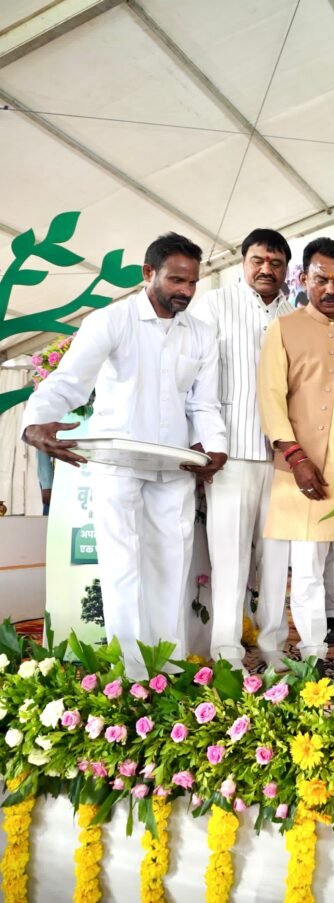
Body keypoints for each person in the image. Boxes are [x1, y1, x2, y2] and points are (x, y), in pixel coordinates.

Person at [21, 232, 228, 678]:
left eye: (193, 283)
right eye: (176, 280)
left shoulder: (202, 334)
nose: (186, 292)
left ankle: (169, 672)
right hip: (117, 464)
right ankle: (134, 678)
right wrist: (34, 421)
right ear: (148, 274)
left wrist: (215, 447)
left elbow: (203, 404)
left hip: (173, 466)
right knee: (124, 569)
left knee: (172, 569)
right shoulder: (111, 321)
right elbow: (70, 380)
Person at [256, 237, 334, 669]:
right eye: (320, 279)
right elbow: (270, 398)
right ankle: (311, 656)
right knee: (305, 572)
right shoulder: (283, 329)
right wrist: (296, 458)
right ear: (303, 278)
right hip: (301, 471)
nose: (330, 288)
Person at [188, 227, 293, 671]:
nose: (266, 269)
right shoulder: (212, 305)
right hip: (228, 454)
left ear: (287, 268)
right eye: (258, 260)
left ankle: (273, 647)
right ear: (242, 260)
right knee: (229, 559)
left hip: (284, 457)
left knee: (276, 560)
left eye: (276, 262)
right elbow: (194, 380)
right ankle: (227, 653)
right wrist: (200, 444)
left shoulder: (294, 315)